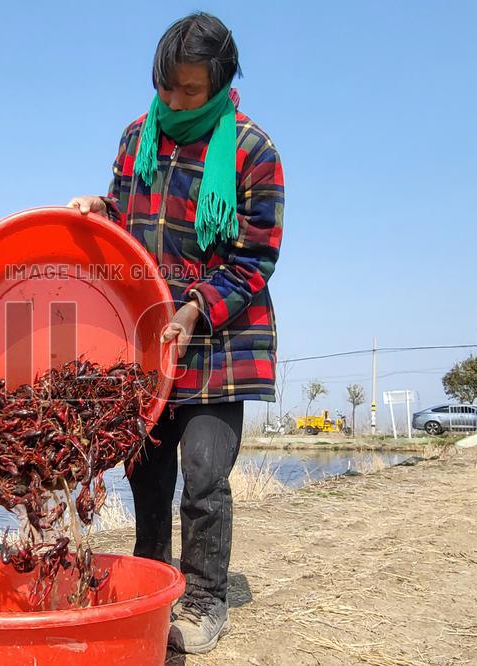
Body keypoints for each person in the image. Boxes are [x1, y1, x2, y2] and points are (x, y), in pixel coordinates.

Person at [69, 12, 284, 655]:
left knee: (206, 476)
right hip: (147, 340)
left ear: (219, 84)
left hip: (220, 341)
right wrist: (102, 212)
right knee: (148, 474)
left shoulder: (252, 151)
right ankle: (152, 584)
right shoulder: (139, 137)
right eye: (167, 87)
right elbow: (121, 217)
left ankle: (203, 596)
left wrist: (195, 306)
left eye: (190, 90)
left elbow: (257, 257)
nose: (175, 101)